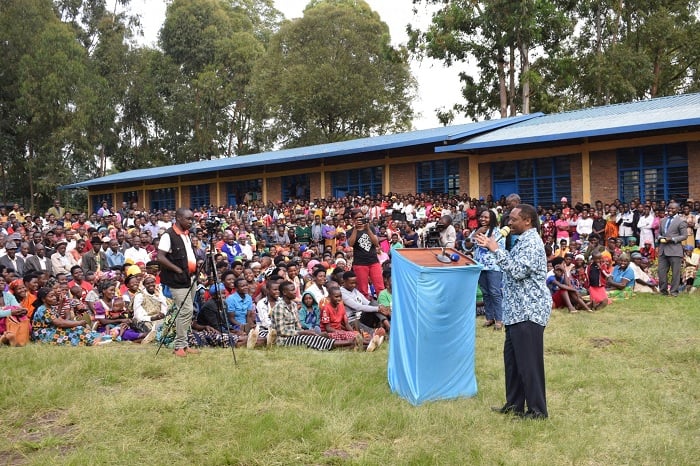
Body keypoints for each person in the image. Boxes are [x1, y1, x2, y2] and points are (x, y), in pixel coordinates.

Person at [475, 203, 551, 420]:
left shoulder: (532, 243)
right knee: (513, 361)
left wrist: (496, 249)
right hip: (516, 312)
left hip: (529, 310)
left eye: (513, 219)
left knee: (529, 364)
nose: (509, 222)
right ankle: (515, 404)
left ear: (527, 220)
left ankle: (537, 411)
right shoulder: (521, 240)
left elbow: (517, 271)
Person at [157, 207, 200, 357]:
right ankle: (179, 346)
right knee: (186, 310)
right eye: (188, 219)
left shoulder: (187, 234)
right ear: (179, 218)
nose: (191, 222)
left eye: (192, 219)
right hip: (178, 279)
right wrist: (177, 269)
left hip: (191, 277)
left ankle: (185, 344)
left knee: (188, 312)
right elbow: (160, 257)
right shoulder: (168, 235)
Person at [466, 209, 505, 330]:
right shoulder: (476, 231)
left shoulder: (498, 232)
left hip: (494, 266)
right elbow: (467, 245)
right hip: (480, 266)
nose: (483, 219)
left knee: (495, 292)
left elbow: (498, 248)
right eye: (481, 217)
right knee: (486, 293)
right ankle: (489, 318)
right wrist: (476, 233)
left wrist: (486, 241)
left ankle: (499, 319)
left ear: (492, 219)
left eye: (486, 217)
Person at [347, 212, 384, 300]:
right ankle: (365, 310)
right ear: (353, 220)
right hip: (360, 263)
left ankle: (384, 305)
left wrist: (368, 230)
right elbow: (351, 244)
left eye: (361, 217)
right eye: (357, 218)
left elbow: (376, 243)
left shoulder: (370, 227)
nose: (359, 219)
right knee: (363, 289)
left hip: (374, 261)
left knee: (380, 287)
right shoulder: (350, 231)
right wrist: (355, 229)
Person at [656, 202, 688, 296]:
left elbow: (684, 236)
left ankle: (674, 292)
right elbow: (659, 233)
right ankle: (663, 291)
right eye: (669, 208)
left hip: (675, 251)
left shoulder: (681, 221)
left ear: (678, 210)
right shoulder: (663, 220)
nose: (670, 210)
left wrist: (672, 239)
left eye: (673, 209)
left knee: (675, 273)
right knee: (661, 272)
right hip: (663, 250)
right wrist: (659, 238)